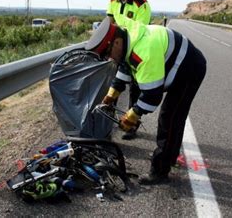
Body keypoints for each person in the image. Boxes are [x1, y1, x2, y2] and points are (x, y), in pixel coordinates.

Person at [85, 17, 207, 185]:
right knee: (172, 117)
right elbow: (125, 69)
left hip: (190, 69)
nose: (109, 59)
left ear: (117, 43)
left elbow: (152, 95)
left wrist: (132, 115)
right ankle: (169, 156)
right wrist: (111, 95)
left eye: (107, 53)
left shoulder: (143, 52)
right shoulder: (129, 39)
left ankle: (160, 171)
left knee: (170, 117)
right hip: (178, 62)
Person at [106, 0, 152, 140]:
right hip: (116, 50)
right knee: (114, 87)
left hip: (134, 51)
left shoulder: (141, 4)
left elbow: (138, 34)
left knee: (135, 89)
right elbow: (110, 21)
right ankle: (108, 124)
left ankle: (131, 126)